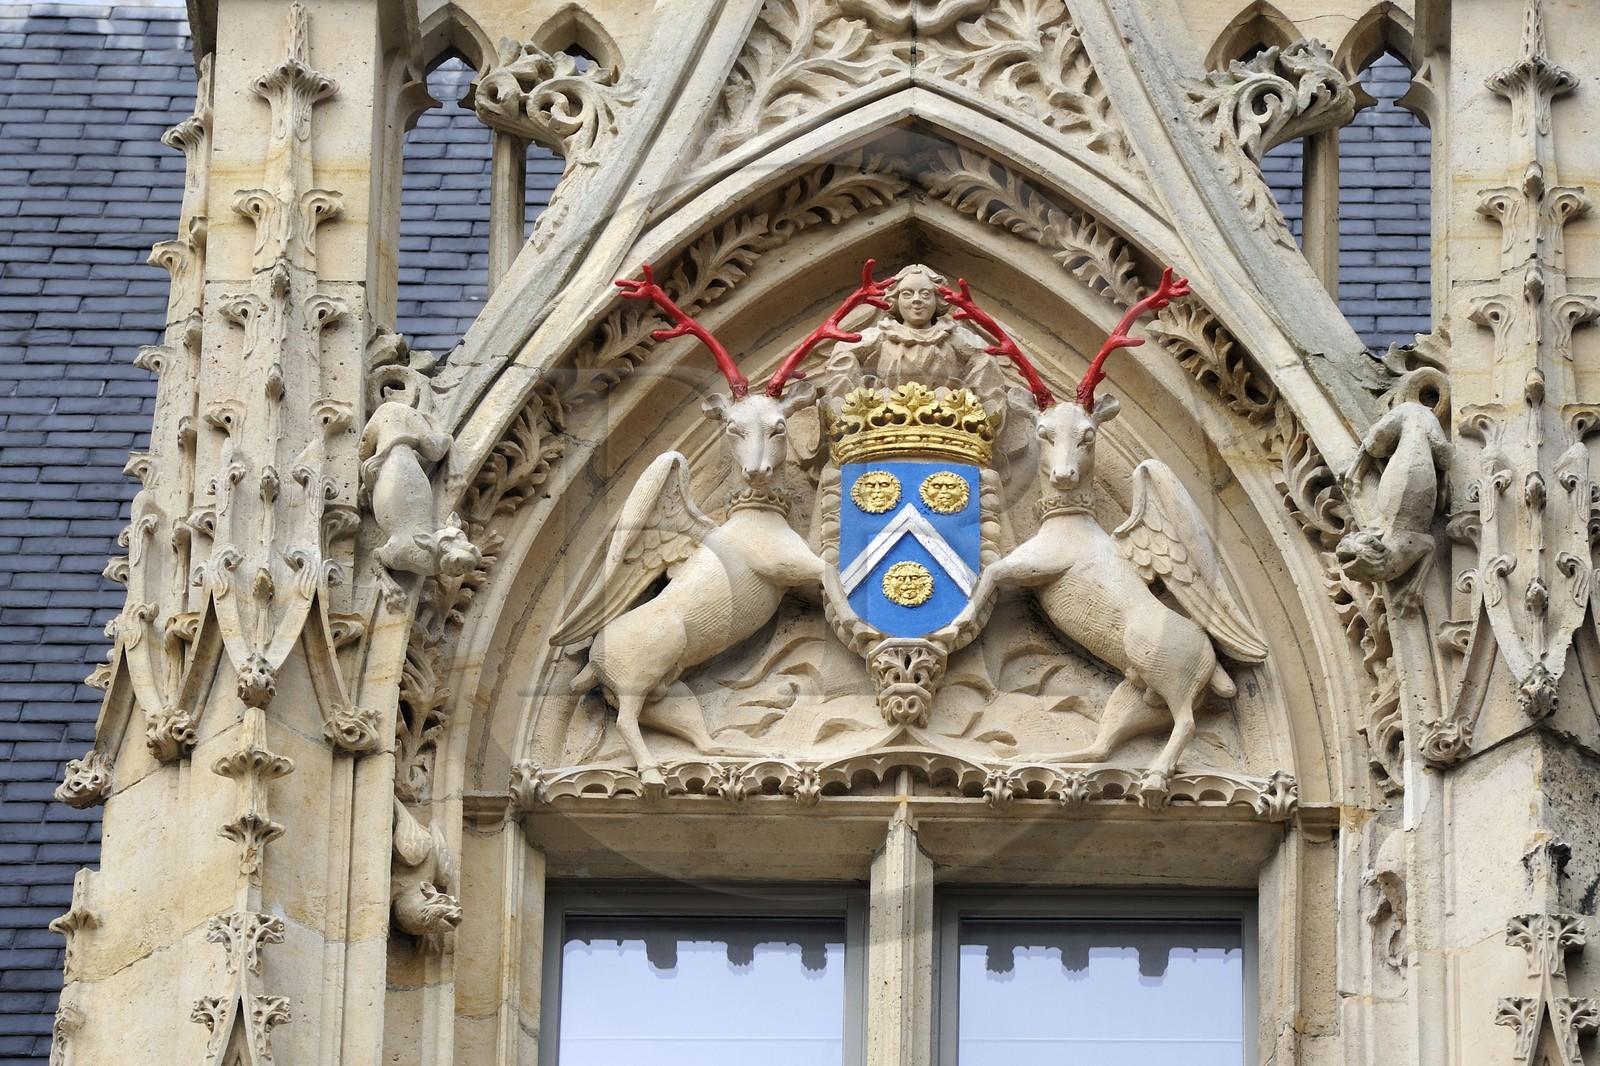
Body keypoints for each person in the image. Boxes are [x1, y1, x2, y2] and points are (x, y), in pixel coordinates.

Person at [816, 263, 1010, 406]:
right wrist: (847, 402)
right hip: (886, 410)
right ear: (896, 299)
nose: (917, 300)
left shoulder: (952, 336)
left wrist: (981, 404)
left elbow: (983, 356)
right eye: (907, 294)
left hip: (947, 412)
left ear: (937, 300)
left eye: (925, 294)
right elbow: (844, 351)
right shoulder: (883, 334)